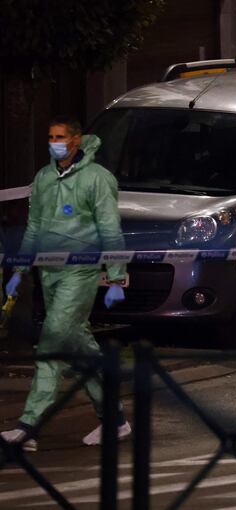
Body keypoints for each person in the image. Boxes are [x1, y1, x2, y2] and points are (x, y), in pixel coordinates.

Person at [1, 116, 129, 452]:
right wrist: (19, 270)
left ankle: (30, 425)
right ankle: (114, 418)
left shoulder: (98, 179)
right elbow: (34, 227)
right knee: (78, 348)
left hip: (80, 272)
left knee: (51, 343)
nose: (54, 141)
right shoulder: (44, 178)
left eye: (60, 136)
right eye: (50, 136)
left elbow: (110, 229)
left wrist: (116, 276)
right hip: (49, 273)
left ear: (75, 140)